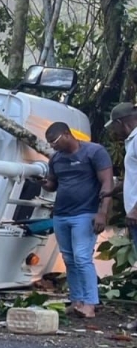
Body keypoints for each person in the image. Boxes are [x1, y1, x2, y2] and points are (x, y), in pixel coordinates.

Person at [40, 122, 113, 318]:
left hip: (85, 213)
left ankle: (90, 304)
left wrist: (102, 212)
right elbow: (53, 185)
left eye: (54, 141)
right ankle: (77, 301)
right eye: (49, 143)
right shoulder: (56, 159)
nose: (52, 146)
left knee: (82, 258)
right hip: (62, 214)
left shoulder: (94, 152)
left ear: (67, 134)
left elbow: (107, 182)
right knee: (69, 259)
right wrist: (41, 182)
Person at [105, 102, 137, 242]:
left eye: (114, 126)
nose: (114, 131)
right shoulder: (132, 140)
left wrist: (135, 211)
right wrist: (113, 190)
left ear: (119, 122)